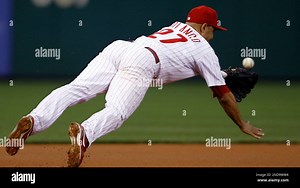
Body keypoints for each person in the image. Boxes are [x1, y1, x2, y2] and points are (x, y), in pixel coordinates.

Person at [6, 5, 264, 167]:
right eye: (214, 30)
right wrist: (242, 124)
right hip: (142, 62)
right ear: (205, 26)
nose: (214, 35)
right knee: (117, 111)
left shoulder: (176, 27)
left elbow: (189, 61)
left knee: (75, 89)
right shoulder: (204, 48)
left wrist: (220, 74)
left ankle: (34, 119)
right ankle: (84, 134)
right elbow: (222, 95)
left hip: (120, 48)